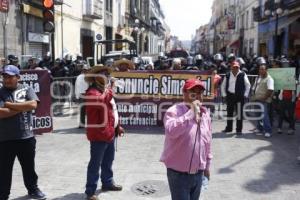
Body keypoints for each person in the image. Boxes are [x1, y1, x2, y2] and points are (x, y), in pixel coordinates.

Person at [161, 78, 212, 200]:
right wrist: (191, 113)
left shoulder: (205, 114)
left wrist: (207, 167)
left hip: (198, 173)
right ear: (184, 93)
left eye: (200, 93)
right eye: (193, 92)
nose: (197, 96)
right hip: (178, 174)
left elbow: (208, 142)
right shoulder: (173, 111)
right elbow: (171, 131)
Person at [0, 65, 46, 200]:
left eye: (10, 77)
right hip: (4, 139)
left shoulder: (27, 88)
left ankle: (33, 189)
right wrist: (22, 107)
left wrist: (9, 105)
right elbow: (1, 113)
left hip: (26, 137)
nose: (6, 80)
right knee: (4, 170)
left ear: (18, 77)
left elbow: (33, 105)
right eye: (4, 77)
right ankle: (3, 194)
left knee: (29, 167)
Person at [84, 65, 124, 200]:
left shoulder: (105, 91)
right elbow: (101, 101)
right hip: (98, 135)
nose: (107, 76)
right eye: (104, 74)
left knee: (108, 160)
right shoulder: (92, 92)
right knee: (95, 163)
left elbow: (113, 110)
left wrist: (118, 126)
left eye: (107, 74)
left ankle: (107, 182)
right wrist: (111, 88)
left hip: (109, 132)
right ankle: (90, 192)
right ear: (96, 78)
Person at [221, 61, 251, 135]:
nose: (235, 69)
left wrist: (246, 94)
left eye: (237, 67)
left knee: (239, 114)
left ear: (239, 67)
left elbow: (248, 85)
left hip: (239, 96)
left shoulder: (243, 74)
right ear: (231, 67)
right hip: (230, 96)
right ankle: (229, 128)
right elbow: (223, 86)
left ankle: (239, 130)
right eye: (234, 67)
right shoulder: (227, 75)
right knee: (229, 113)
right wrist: (224, 95)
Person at [251, 65, 274, 138]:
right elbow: (255, 87)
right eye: (260, 69)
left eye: (262, 69)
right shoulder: (258, 77)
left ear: (266, 70)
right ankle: (259, 128)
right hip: (256, 99)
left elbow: (270, 90)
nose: (260, 71)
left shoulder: (269, 79)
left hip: (264, 101)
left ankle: (268, 131)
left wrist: (264, 98)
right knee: (257, 115)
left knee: (264, 116)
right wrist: (253, 96)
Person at [75, 64, 90, 129]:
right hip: (86, 94)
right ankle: (84, 124)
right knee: (86, 110)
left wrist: (77, 95)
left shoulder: (79, 76)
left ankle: (82, 124)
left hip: (84, 94)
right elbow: (77, 86)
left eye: (86, 70)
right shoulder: (88, 76)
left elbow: (76, 86)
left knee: (83, 110)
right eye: (85, 70)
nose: (85, 71)